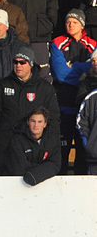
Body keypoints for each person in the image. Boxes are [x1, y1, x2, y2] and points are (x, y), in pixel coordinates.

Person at [0, 46, 60, 176]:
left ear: (31, 64)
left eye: (22, 62)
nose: (18, 65)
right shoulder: (1, 86)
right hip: (5, 147)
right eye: (15, 62)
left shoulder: (44, 88)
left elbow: (53, 119)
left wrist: (53, 144)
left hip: (33, 150)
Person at [48, 9, 96, 174]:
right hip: (63, 105)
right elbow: (61, 73)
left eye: (74, 22)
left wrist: (72, 66)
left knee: (83, 154)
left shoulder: (93, 44)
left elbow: (93, 70)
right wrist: (82, 69)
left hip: (84, 107)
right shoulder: (58, 42)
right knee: (62, 151)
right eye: (68, 21)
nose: (70, 24)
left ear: (82, 25)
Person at [3, 106, 61, 186]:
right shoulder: (17, 139)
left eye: (40, 122)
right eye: (33, 121)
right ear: (28, 122)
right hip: (17, 185)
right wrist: (44, 169)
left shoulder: (53, 140)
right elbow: (19, 168)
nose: (36, 125)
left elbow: (55, 165)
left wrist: (34, 175)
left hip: (47, 186)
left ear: (45, 124)